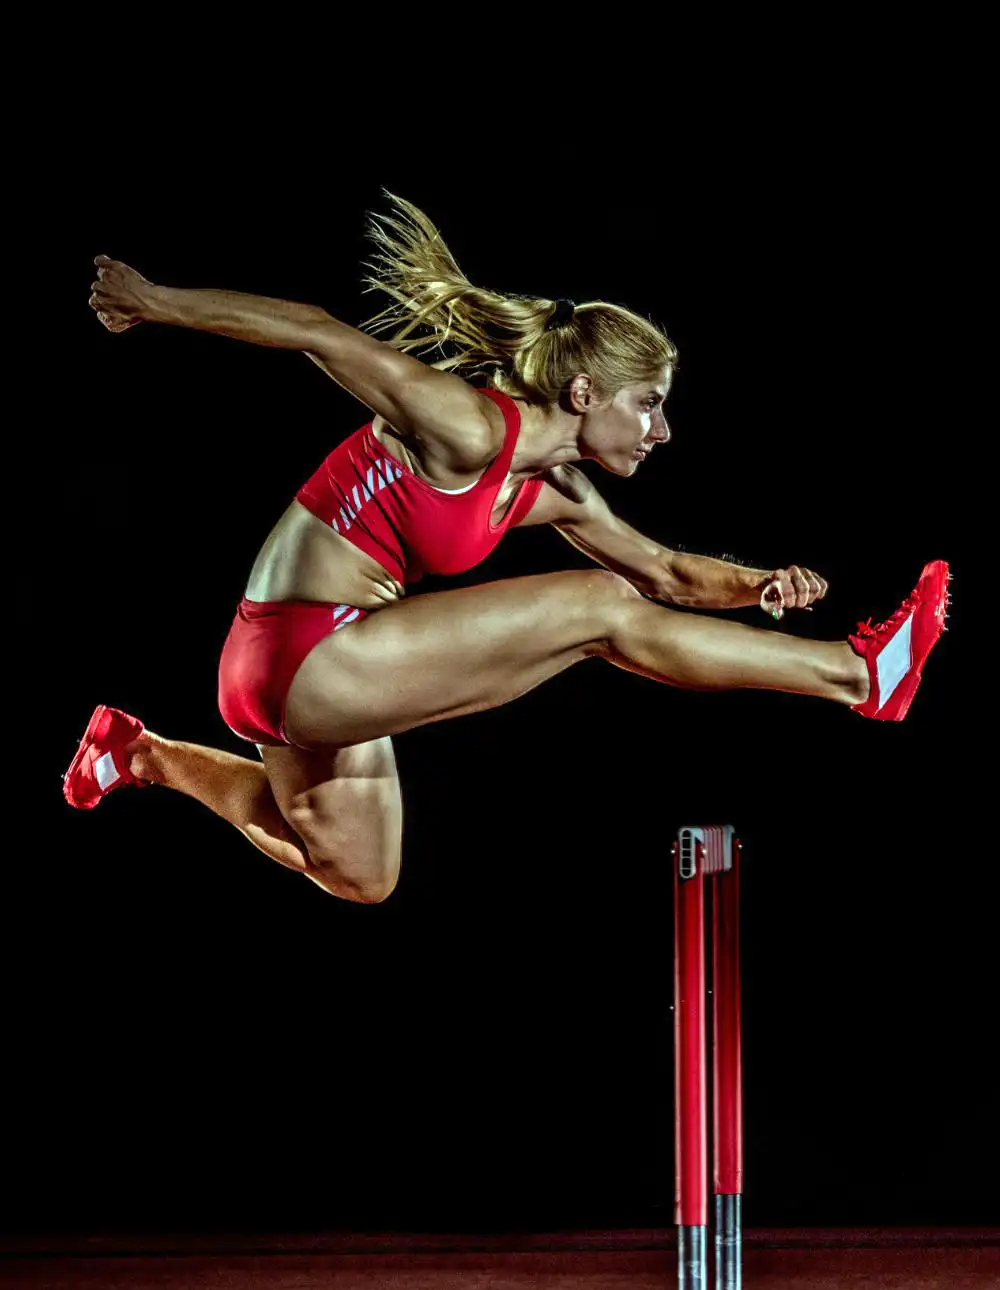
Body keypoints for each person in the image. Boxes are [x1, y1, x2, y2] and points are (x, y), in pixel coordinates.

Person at [64, 193, 949, 904]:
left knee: (361, 874)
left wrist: (763, 585)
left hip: (308, 670)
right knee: (599, 611)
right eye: (647, 404)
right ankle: (859, 677)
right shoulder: (465, 425)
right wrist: (155, 302)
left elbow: (668, 572)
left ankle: (143, 755)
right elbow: (317, 329)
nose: (663, 430)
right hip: (302, 651)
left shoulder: (552, 487)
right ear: (582, 390)